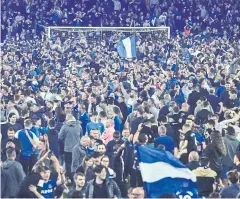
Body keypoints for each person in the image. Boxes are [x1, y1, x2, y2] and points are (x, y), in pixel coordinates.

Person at [58, 114, 82, 182]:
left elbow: (60, 137)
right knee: (76, 164)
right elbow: (81, 135)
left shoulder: (65, 127)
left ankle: (71, 179)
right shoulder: (79, 126)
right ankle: (78, 178)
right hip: (78, 149)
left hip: (68, 149)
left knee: (68, 165)